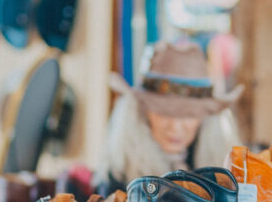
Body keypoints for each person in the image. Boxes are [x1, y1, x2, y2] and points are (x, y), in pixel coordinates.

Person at [99, 40, 241, 192]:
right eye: (163, 112)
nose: (174, 126)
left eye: (188, 115)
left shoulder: (221, 177)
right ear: (143, 112)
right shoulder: (118, 178)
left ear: (204, 118)